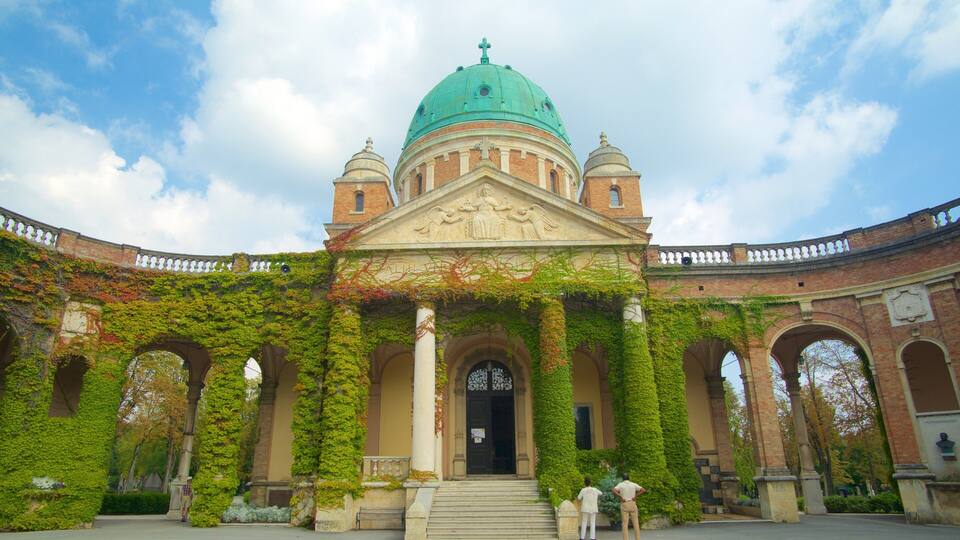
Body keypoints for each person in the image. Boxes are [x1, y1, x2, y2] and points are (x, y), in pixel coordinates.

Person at [613, 473, 645, 540]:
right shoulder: (633, 484)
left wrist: (620, 496)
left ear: (622, 478)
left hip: (625, 503)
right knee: (636, 523)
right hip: (632, 503)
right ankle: (638, 538)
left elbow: (614, 490)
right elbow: (643, 490)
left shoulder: (621, 484)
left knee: (625, 524)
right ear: (629, 478)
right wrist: (635, 496)